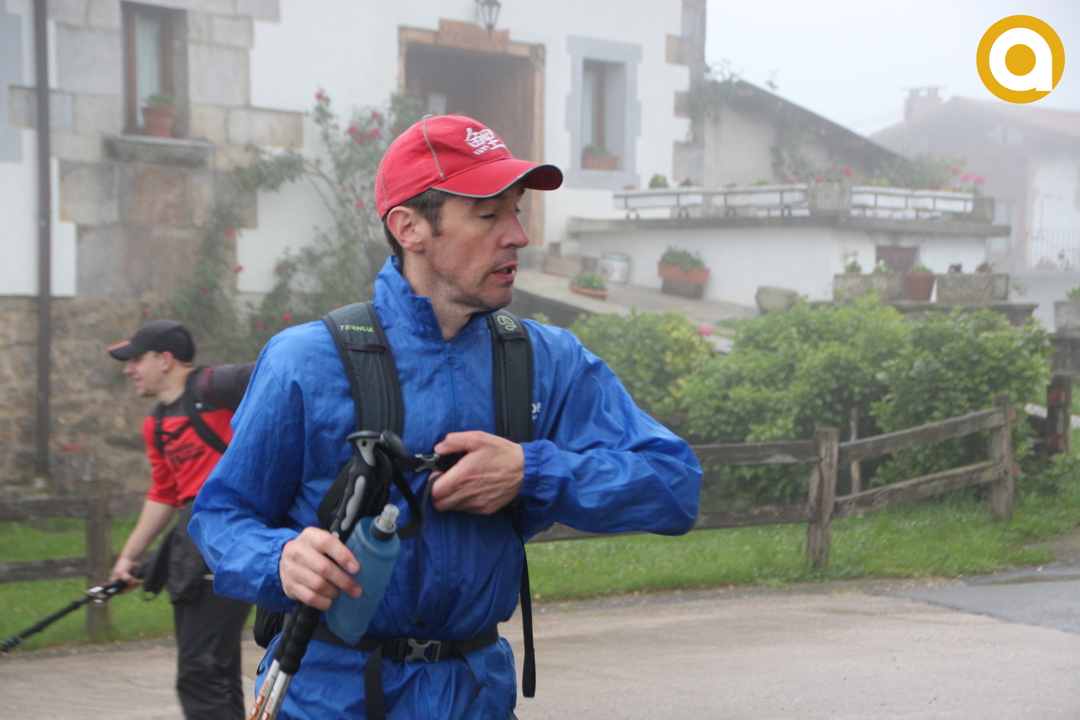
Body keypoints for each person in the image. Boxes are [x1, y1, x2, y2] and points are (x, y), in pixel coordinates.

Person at [189, 114, 702, 720]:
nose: (518, 235)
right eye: (488, 215)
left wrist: (533, 472)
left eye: (516, 211)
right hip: (327, 697)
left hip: (476, 696)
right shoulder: (305, 360)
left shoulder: (546, 361)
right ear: (409, 227)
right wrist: (277, 559)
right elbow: (221, 516)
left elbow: (675, 485)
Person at [106, 319, 254, 720]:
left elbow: (286, 373)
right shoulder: (155, 423)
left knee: (200, 672)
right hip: (194, 546)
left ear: (165, 360)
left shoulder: (219, 386)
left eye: (136, 360)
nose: (129, 369)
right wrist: (128, 558)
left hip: (233, 541)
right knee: (214, 669)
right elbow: (164, 493)